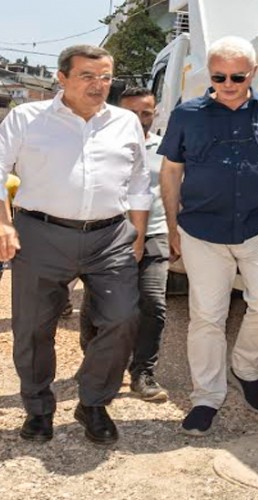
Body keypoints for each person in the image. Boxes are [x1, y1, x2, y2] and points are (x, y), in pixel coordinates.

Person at [159, 36, 258, 436]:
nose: (228, 83)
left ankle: (246, 367)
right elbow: (171, 171)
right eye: (219, 76)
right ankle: (206, 397)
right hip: (202, 231)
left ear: (253, 72)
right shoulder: (187, 115)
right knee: (207, 317)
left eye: (237, 76)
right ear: (210, 74)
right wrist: (172, 226)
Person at [0, 45, 151, 445]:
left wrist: (136, 232)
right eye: (87, 76)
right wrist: (4, 223)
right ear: (62, 78)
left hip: (111, 237)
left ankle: (94, 403)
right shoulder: (27, 118)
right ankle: (38, 409)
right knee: (33, 328)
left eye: (105, 78)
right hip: (41, 234)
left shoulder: (125, 122)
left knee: (122, 319)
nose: (98, 85)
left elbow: (138, 181)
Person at [80, 87, 169, 401]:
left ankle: (143, 372)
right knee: (98, 304)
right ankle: (95, 361)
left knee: (153, 303)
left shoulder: (166, 147)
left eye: (146, 113)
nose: (140, 119)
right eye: (133, 112)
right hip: (110, 235)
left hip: (155, 233)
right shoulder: (101, 144)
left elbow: (176, 190)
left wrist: (176, 230)